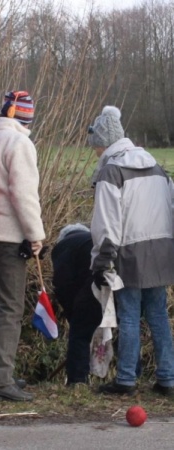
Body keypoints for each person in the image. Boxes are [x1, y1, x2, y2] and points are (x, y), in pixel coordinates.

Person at [89, 105, 174, 396]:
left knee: (128, 315)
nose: (96, 152)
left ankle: (126, 379)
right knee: (158, 315)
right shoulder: (156, 167)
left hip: (128, 253)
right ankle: (168, 378)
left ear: (104, 143)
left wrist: (103, 259)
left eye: (96, 147)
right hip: (162, 252)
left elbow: (107, 221)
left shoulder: (112, 171)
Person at [0, 90, 46, 402]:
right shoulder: (19, 143)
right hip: (9, 235)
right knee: (11, 307)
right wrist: (35, 234)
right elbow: (23, 193)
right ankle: (0, 379)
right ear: (26, 119)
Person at [51, 223, 102, 385]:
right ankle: (130, 375)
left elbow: (62, 284)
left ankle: (77, 380)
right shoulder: (93, 240)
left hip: (90, 284)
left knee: (79, 333)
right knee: (124, 327)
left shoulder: (62, 247)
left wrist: (72, 314)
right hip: (113, 280)